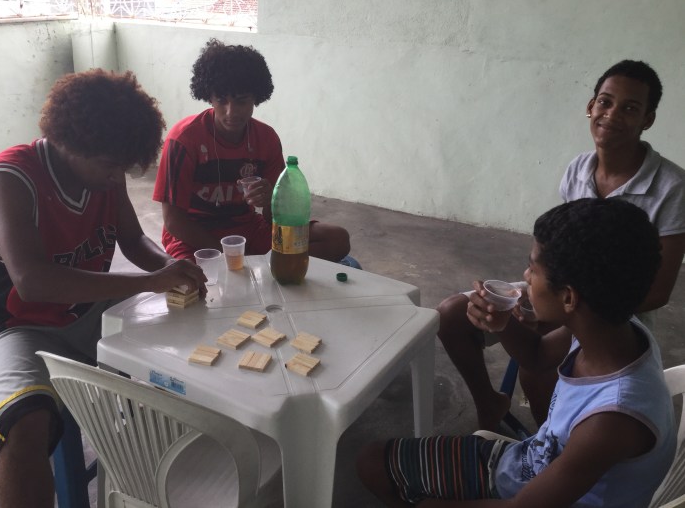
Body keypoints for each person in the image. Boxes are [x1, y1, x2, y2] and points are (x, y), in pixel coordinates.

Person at [0, 69, 207, 508]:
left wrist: (171, 267)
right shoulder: (10, 178)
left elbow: (133, 240)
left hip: (84, 309)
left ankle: (153, 467)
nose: (117, 177)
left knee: (188, 338)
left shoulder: (105, 174)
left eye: (122, 167)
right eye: (110, 166)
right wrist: (150, 281)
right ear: (68, 143)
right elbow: (32, 282)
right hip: (10, 325)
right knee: (28, 423)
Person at [357, 198, 676, 508]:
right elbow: (536, 356)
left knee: (372, 464)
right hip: (531, 464)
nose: (525, 277)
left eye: (532, 269)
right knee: (375, 461)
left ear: (569, 298)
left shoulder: (611, 420)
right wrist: (502, 324)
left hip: (527, 489)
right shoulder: (612, 327)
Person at [437, 60, 685, 430]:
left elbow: (658, 293)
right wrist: (538, 300)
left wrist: (563, 311)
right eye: (605, 102)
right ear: (590, 107)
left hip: (613, 315)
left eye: (630, 108)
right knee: (453, 314)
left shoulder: (671, 186)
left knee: (538, 372)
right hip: (561, 294)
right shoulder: (578, 169)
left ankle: (553, 442)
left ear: (647, 119)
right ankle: (489, 403)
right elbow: (559, 250)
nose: (612, 115)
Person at [153, 38, 351, 262]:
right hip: (194, 237)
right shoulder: (183, 140)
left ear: (256, 97)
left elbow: (273, 218)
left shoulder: (266, 138)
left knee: (336, 239)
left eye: (241, 101)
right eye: (222, 100)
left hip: (248, 230)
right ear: (209, 97)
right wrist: (233, 255)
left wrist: (269, 200)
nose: (231, 112)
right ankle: (266, 269)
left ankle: (265, 270)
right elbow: (174, 222)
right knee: (193, 279)